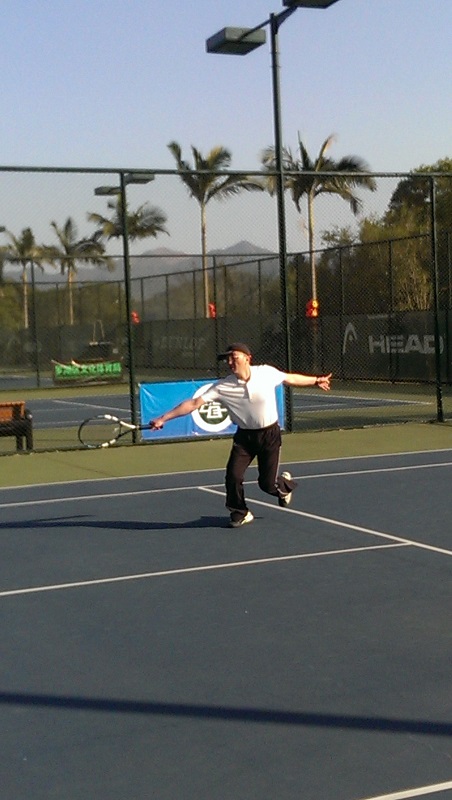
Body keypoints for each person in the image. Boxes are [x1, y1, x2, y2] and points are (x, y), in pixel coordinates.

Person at [150, 343, 332, 528]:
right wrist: (163, 418)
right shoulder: (222, 386)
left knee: (267, 485)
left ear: (247, 358)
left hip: (270, 435)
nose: (230, 362)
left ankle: (283, 486)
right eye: (227, 359)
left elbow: (290, 378)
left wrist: (316, 380)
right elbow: (193, 403)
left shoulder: (266, 373)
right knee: (233, 476)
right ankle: (240, 512)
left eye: (234, 357)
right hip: (245, 438)